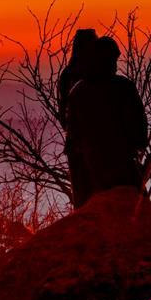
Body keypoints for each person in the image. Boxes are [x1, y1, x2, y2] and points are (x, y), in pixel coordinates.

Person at [65, 36, 148, 203]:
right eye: (112, 60)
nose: (115, 65)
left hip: (89, 164)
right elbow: (137, 124)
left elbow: (73, 131)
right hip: (120, 163)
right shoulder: (123, 87)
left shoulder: (78, 91)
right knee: (132, 207)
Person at [58, 28, 98, 208]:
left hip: (75, 142)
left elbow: (63, 113)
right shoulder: (93, 77)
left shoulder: (68, 74)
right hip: (92, 142)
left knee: (82, 193)